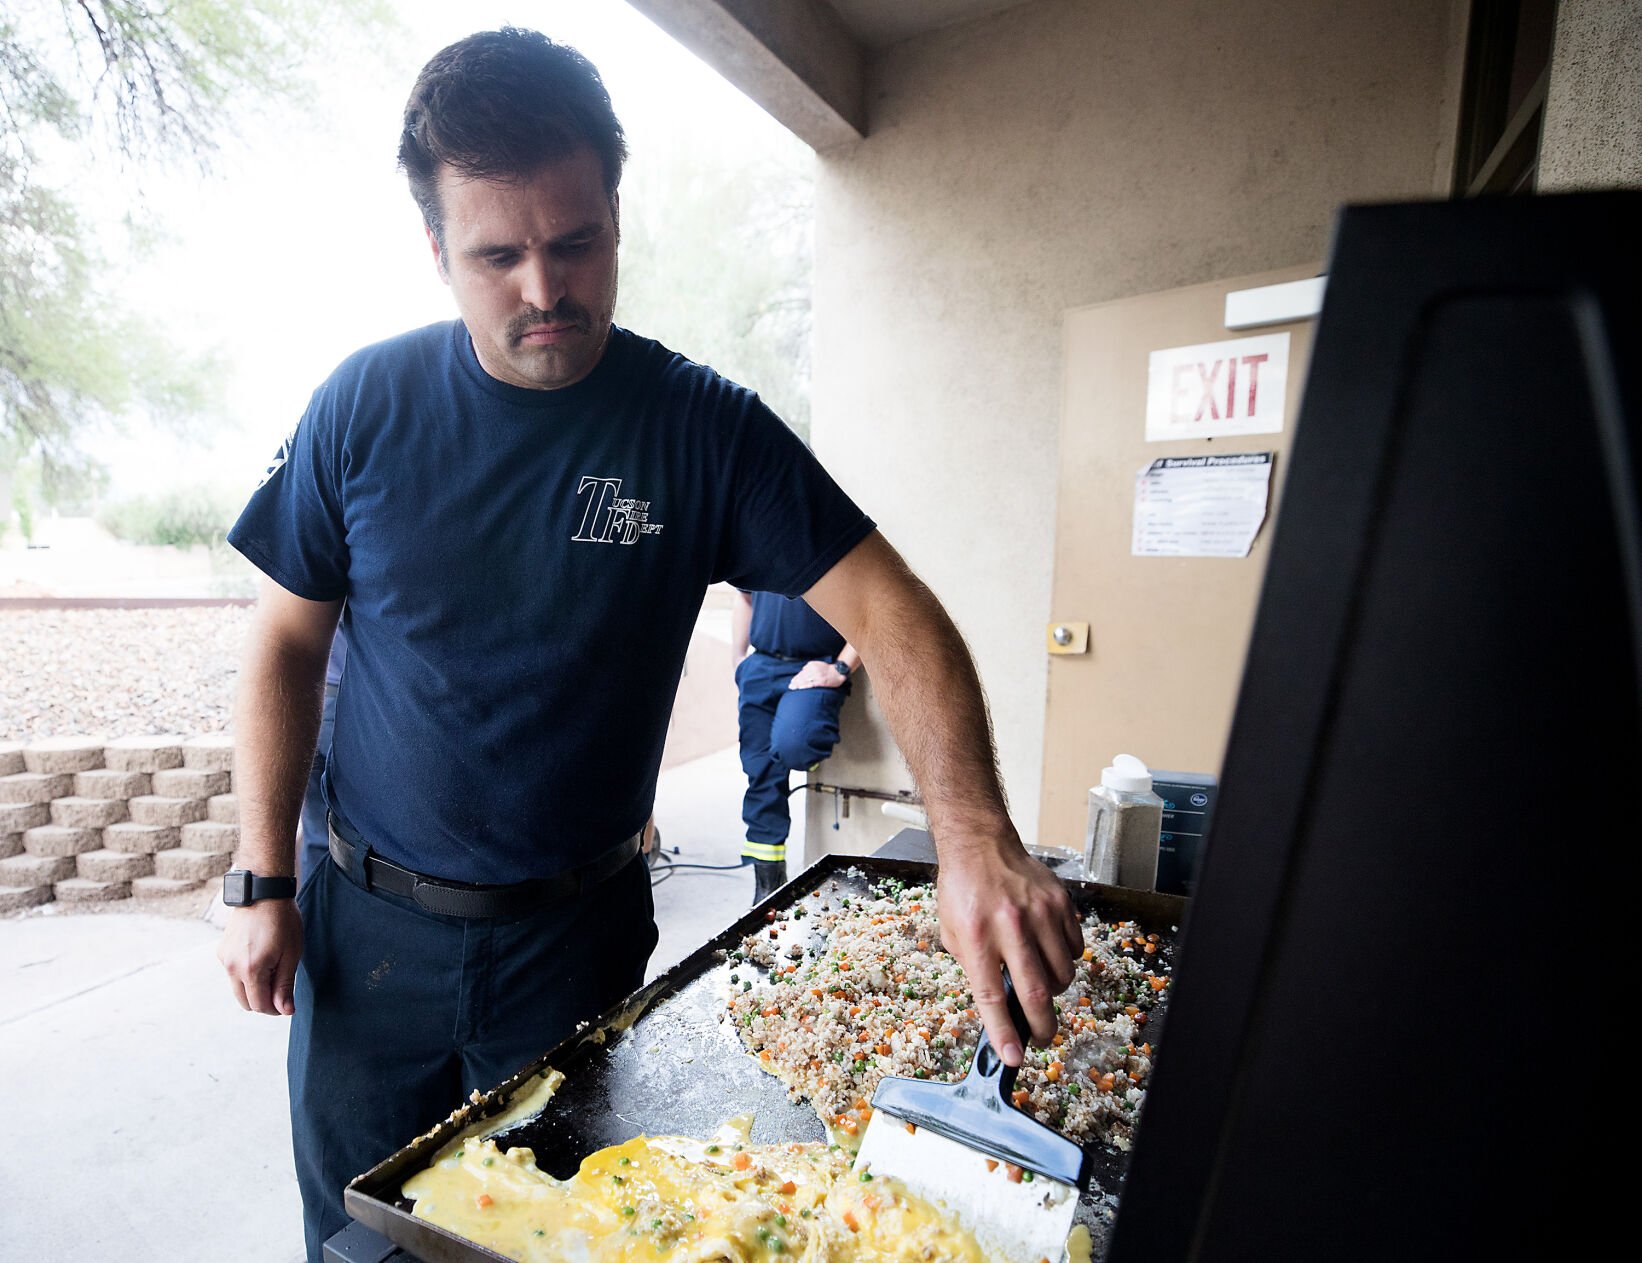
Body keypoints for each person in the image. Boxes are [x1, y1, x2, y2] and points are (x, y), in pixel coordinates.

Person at [214, 28, 1079, 1262]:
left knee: (562, 1238)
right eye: (497, 255)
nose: (544, 289)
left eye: (576, 242)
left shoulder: (702, 429)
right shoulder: (365, 405)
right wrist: (260, 881)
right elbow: (283, 645)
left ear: (616, 217)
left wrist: (974, 838)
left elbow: (895, 613)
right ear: (437, 250)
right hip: (366, 931)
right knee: (353, 1240)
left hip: (572, 943)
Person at [732, 589, 859, 902]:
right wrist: (738, 659)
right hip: (760, 666)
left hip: (813, 668)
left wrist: (840, 668)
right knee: (760, 773)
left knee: (794, 745)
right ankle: (768, 885)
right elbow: (744, 598)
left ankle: (800, 753)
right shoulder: (758, 559)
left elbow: (870, 611)